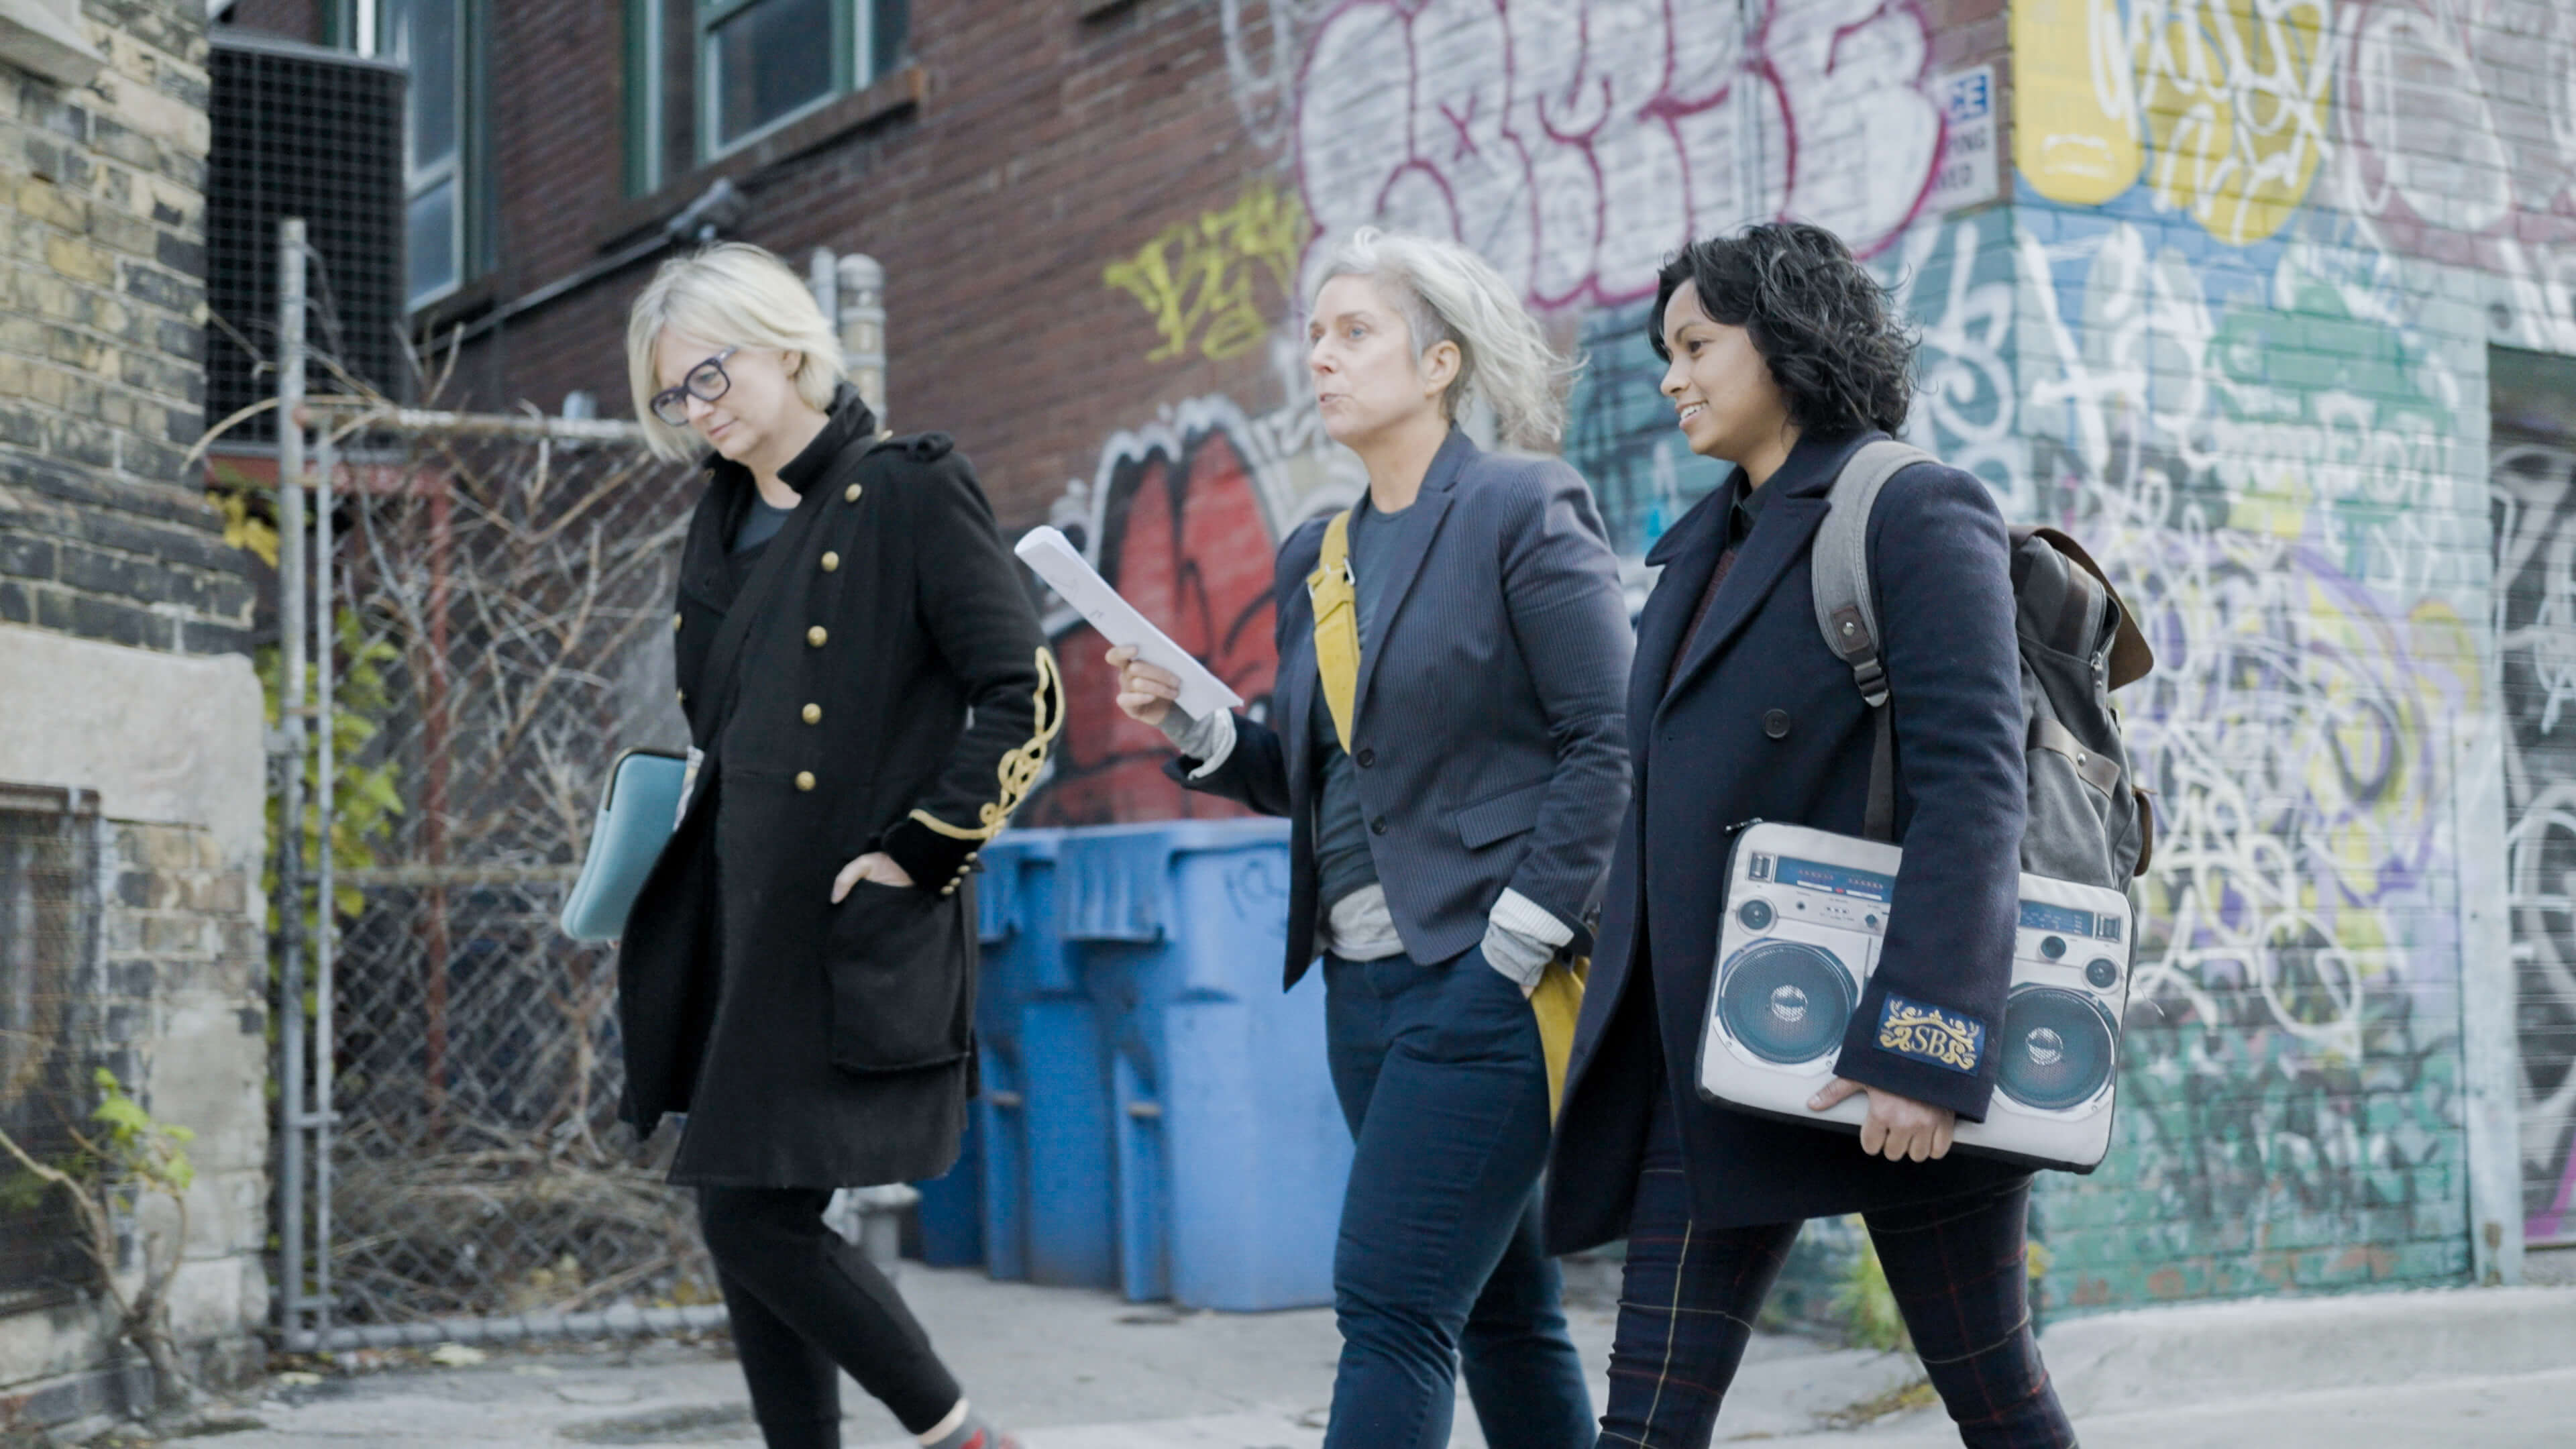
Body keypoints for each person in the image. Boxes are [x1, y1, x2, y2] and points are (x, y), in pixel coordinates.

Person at [1544, 223, 2077, 1447]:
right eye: (1664, 352)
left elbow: (1974, 783)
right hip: (1724, 1044)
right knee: (1645, 1422)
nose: (1671, 377)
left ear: (1785, 340)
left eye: (1696, 345)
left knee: (1997, 1400)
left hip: (1886, 1039)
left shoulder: (1913, 506)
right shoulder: (1701, 548)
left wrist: (1924, 1042)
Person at [1110, 227, 1633, 1449]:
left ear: (1440, 361)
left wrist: (1519, 937)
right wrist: (1197, 727)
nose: (1324, 359)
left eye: (1357, 333)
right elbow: (1310, 779)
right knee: (1502, 1308)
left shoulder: (1518, 505)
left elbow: (1610, 741)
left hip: (1488, 977)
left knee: (1390, 1305)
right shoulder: (1319, 557)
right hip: (1362, 992)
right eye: (1315, 336)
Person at [615, 242, 1060, 1449]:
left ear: (787, 342)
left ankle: (959, 1434)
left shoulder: (906, 487)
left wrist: (921, 855)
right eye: (675, 397)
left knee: (751, 1220)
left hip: (847, 912)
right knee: (746, 1212)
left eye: (711, 377)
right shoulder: (715, 525)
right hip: (737, 915)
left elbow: (1026, 693)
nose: (698, 414)